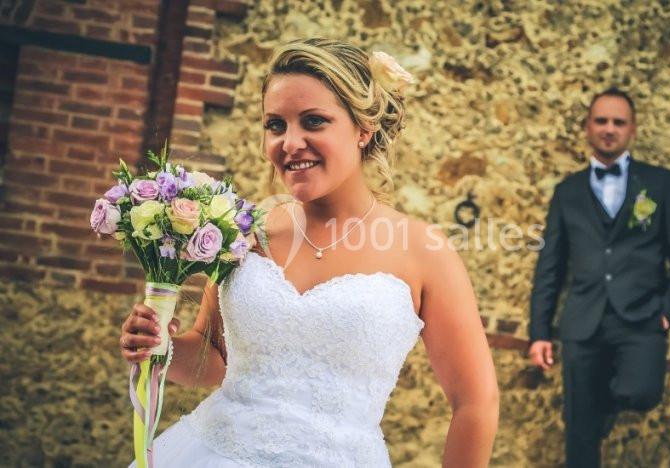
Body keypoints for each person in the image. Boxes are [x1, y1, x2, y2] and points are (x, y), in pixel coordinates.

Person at [119, 38, 498, 467]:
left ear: (363, 129)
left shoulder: (425, 251)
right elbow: (213, 361)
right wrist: (160, 346)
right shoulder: (243, 232)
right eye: (275, 125)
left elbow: (475, 402)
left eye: (314, 121)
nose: (290, 142)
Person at [527, 88, 670, 467]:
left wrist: (667, 311)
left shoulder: (661, 184)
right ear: (588, 127)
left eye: (618, 122)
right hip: (582, 322)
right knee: (579, 430)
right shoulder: (567, 191)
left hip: (641, 320)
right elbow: (550, 266)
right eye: (601, 121)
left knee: (641, 392)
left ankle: (598, 410)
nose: (609, 129)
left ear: (632, 130)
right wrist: (539, 331)